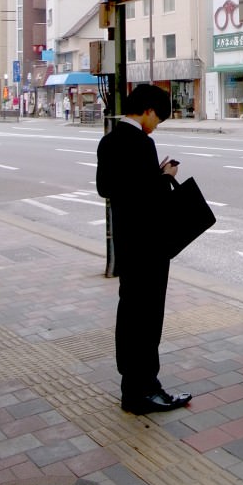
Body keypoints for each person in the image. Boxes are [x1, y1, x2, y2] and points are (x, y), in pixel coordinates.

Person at [96, 84, 191, 414]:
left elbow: (106, 187)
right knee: (149, 319)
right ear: (148, 110)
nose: (156, 125)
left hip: (127, 244)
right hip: (150, 246)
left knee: (130, 314)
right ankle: (146, 389)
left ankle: (131, 387)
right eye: (158, 119)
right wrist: (163, 176)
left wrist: (150, 177)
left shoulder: (109, 140)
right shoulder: (142, 143)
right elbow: (150, 197)